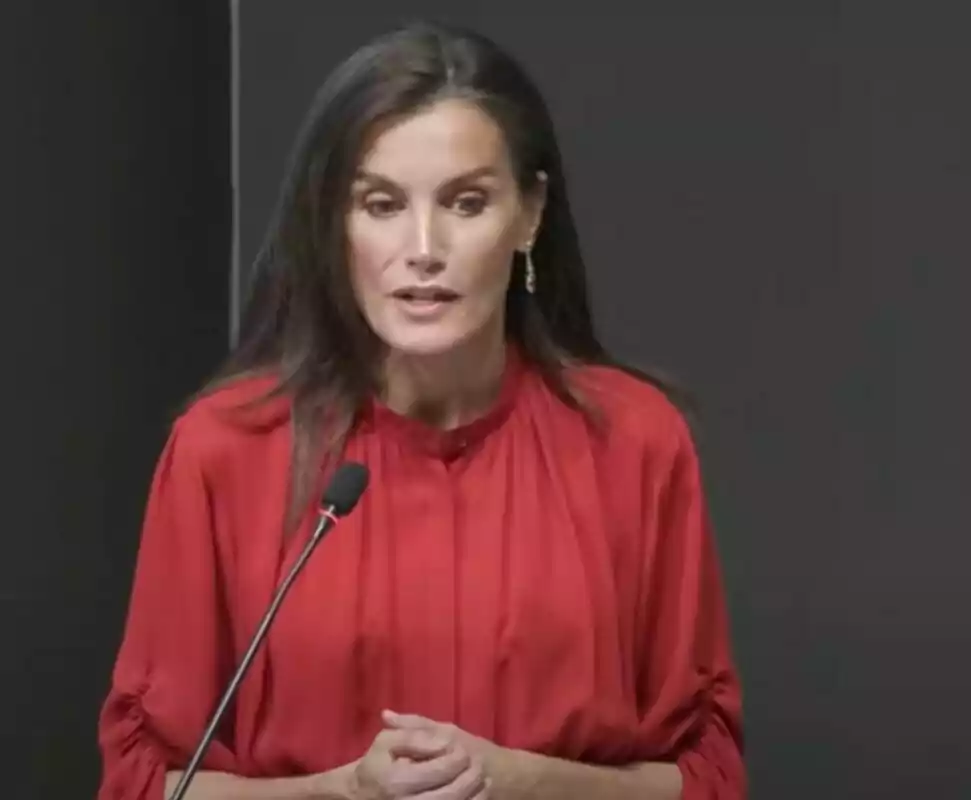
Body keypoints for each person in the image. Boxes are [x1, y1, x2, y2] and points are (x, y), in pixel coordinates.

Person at [96, 20, 745, 800]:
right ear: (334, 222)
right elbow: (143, 785)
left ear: (529, 214)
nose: (424, 246)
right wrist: (341, 794)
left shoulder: (635, 441)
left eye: (466, 202)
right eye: (380, 204)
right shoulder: (225, 449)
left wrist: (522, 782)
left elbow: (708, 779)